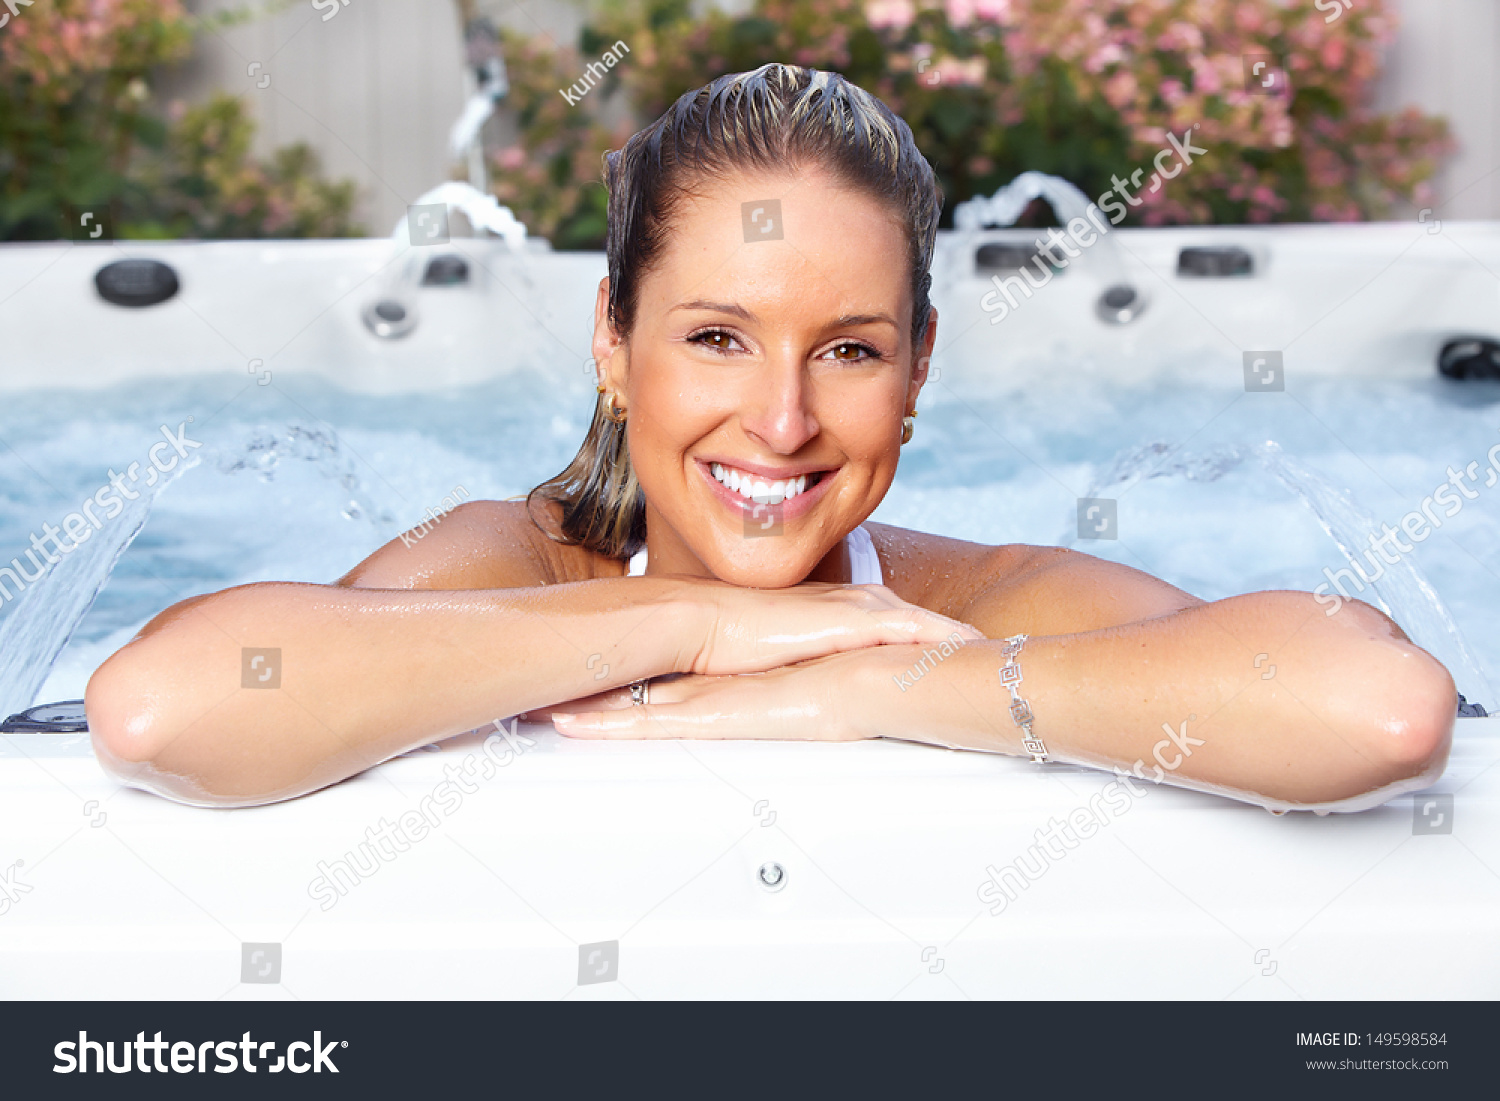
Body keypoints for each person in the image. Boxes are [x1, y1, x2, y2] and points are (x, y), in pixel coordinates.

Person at [85, 64, 1454, 811]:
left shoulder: (970, 605)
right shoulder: (515, 562)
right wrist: (694, 624)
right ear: (614, 343)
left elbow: (1374, 706)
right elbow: (164, 705)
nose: (786, 419)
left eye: (850, 350)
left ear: (918, 369)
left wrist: (871, 688)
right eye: (719, 338)